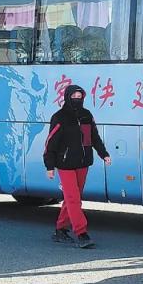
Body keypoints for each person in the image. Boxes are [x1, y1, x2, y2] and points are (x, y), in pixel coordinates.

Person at [44, 85, 111, 249]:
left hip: (83, 163)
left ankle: (60, 229)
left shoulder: (87, 115)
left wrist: (104, 154)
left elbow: (94, 137)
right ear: (67, 97)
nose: (76, 98)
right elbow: (51, 143)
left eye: (79, 96)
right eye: (73, 96)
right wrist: (49, 166)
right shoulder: (59, 117)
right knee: (73, 198)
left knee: (72, 198)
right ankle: (81, 233)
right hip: (65, 164)